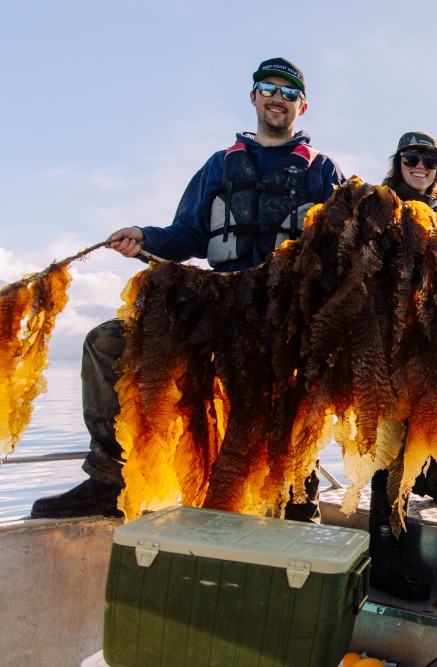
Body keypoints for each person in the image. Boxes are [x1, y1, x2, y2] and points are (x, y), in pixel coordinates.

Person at [31, 57, 346, 522]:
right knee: (106, 342)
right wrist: (145, 238)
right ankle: (109, 480)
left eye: (288, 92)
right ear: (253, 97)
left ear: (303, 105)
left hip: (285, 315)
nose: (277, 98)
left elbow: (344, 249)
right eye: (268, 88)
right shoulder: (219, 165)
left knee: (291, 402)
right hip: (217, 302)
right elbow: (188, 235)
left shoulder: (323, 171)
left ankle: (300, 502)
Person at [365, 131, 437, 601]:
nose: (421, 165)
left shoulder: (436, 216)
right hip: (385, 348)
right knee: (388, 457)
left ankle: (428, 476)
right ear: (399, 162)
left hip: (422, 342)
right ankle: (385, 564)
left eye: (430, 160)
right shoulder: (383, 208)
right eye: (412, 157)